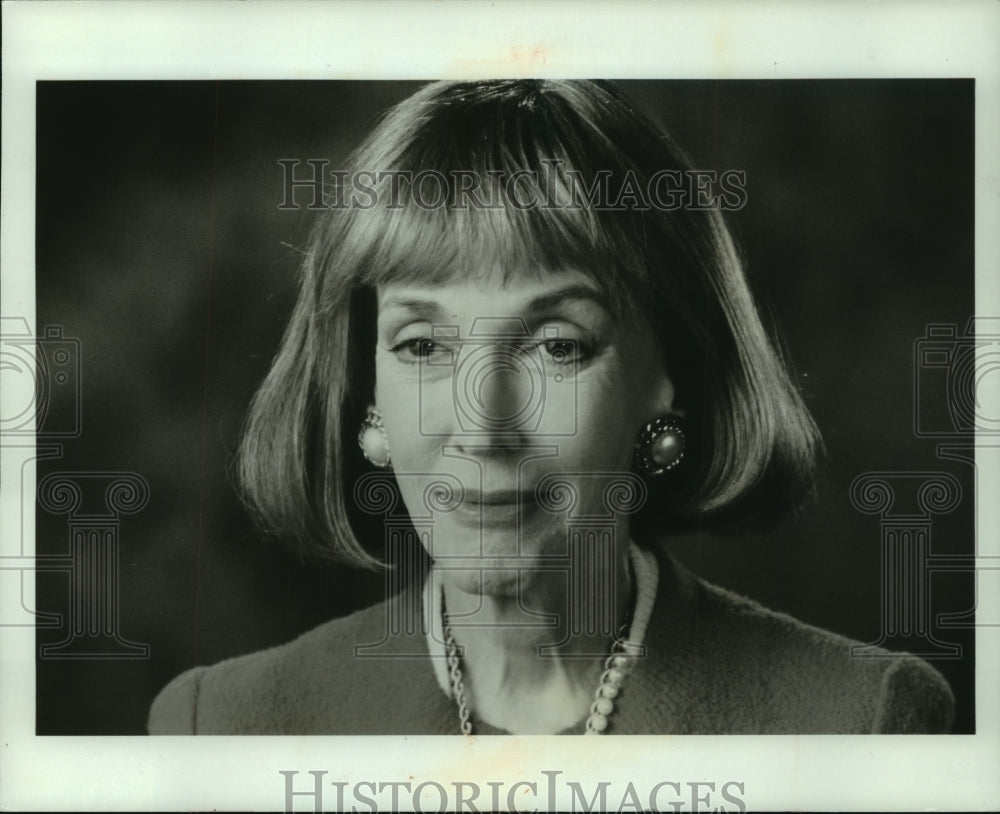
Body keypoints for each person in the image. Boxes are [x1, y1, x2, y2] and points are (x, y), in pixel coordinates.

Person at [148, 80, 954, 735]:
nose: (483, 425)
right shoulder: (222, 726)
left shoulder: (862, 720)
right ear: (367, 395)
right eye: (422, 346)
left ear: (666, 376)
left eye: (557, 345)